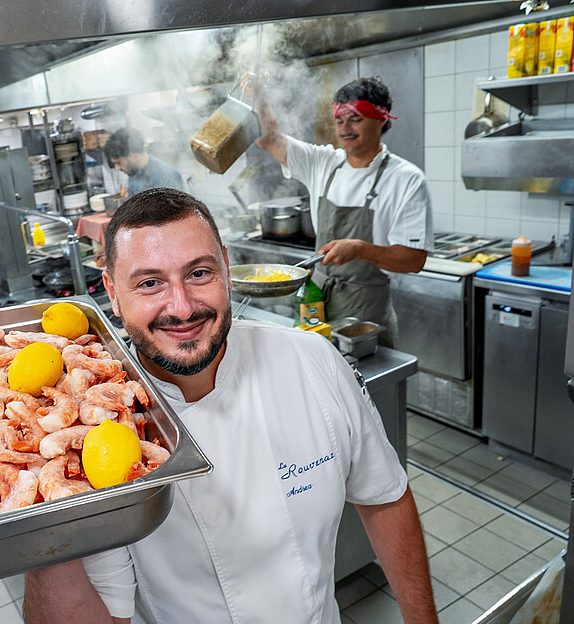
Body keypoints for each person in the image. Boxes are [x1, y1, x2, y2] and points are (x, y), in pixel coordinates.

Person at [23, 188, 438, 624]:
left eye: (199, 273)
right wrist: (41, 528)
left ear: (225, 265)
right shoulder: (90, 430)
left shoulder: (311, 360)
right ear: (112, 291)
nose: (181, 307)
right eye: (150, 283)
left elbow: (386, 497)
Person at [254, 76, 433, 346]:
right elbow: (271, 139)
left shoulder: (406, 179)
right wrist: (258, 98)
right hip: (316, 304)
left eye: (356, 119)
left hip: (365, 314)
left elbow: (414, 260)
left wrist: (360, 249)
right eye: (340, 120)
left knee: (370, 385)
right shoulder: (323, 162)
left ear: (381, 119)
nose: (345, 128)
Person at [104, 128, 185, 197]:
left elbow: (176, 213)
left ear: (133, 155)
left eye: (118, 163)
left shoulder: (166, 175)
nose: (117, 168)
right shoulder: (134, 171)